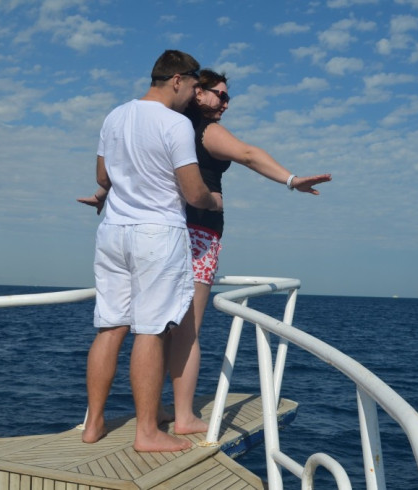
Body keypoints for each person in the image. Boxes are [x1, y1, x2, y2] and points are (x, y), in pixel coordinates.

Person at [79, 69, 331, 436]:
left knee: (153, 328)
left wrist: (103, 194)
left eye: (228, 97)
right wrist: (292, 180)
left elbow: (130, 170)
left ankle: (144, 411)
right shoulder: (204, 131)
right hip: (196, 234)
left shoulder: (162, 124)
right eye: (219, 95)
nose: (225, 103)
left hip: (149, 234)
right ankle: (184, 416)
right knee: (186, 331)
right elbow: (248, 154)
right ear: (197, 92)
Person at [81, 51, 223, 452]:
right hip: (157, 234)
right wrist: (212, 201)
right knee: (152, 329)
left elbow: (102, 176)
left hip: (113, 232)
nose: (194, 95)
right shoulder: (175, 124)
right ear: (177, 80)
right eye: (193, 86)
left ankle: (93, 423)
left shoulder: (115, 116)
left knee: (110, 326)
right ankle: (147, 432)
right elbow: (193, 191)